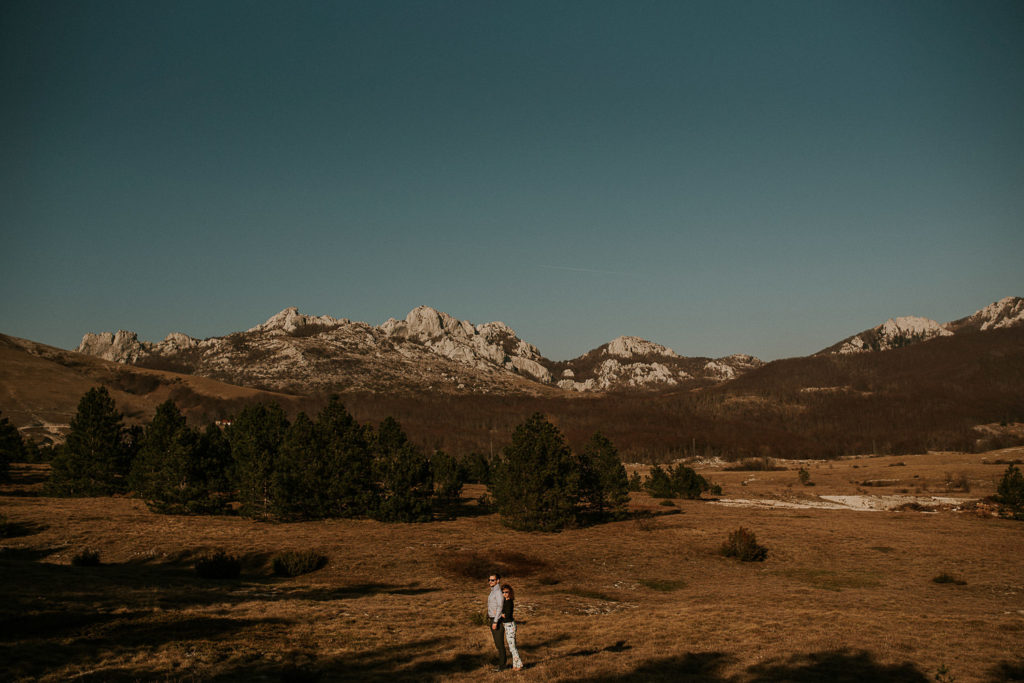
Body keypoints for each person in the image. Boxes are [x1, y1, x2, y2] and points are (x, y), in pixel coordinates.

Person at [486, 572, 507, 670]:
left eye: (492, 580)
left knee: (499, 644)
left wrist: (495, 621)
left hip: (497, 620)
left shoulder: (498, 592)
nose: (490, 582)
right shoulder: (492, 591)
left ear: (498, 580)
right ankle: (501, 664)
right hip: (492, 619)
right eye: (489, 580)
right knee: (497, 643)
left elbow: (500, 606)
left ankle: (502, 666)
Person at [501, 584, 523, 671]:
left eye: (506, 592)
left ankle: (519, 664)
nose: (504, 594)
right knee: (511, 646)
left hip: (510, 625)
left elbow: (507, 616)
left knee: (512, 647)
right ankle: (515, 665)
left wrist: (499, 614)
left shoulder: (509, 602)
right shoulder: (505, 601)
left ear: (510, 592)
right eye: (503, 592)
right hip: (507, 625)